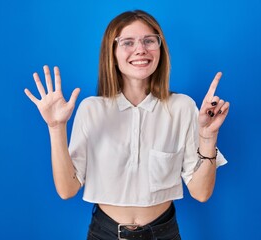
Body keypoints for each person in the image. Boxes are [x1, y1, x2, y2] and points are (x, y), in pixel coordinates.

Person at [24, 9, 230, 240]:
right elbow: (67, 189)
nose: (140, 49)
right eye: (128, 42)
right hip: (104, 233)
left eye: (149, 41)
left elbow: (201, 193)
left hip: (164, 233)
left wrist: (208, 137)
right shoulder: (92, 109)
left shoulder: (182, 107)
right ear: (111, 53)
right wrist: (56, 128)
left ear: (160, 49)